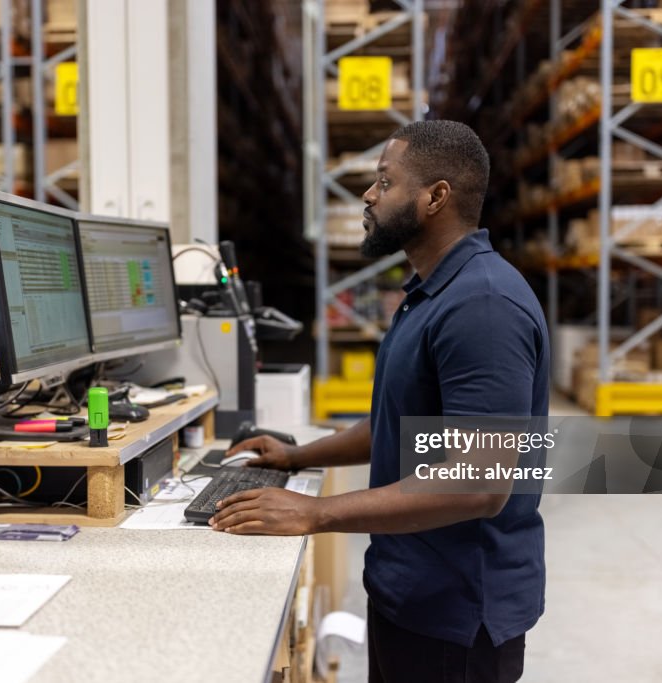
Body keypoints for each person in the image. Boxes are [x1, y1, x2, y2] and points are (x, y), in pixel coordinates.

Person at [210, 120, 549, 683]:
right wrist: (297, 457)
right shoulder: (430, 292)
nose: (369, 195)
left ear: (435, 197)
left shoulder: (482, 307)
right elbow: (397, 423)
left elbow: (479, 482)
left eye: (385, 182)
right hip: (410, 590)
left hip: (457, 615)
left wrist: (315, 513)